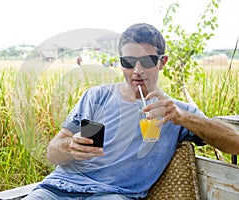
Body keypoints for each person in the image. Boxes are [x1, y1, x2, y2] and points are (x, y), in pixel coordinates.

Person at [23, 23, 239, 200]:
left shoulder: (177, 112)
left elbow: (236, 144)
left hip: (112, 195)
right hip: (57, 189)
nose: (137, 71)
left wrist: (184, 118)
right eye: (128, 62)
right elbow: (52, 153)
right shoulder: (96, 97)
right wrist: (70, 146)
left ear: (162, 62)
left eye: (146, 61)